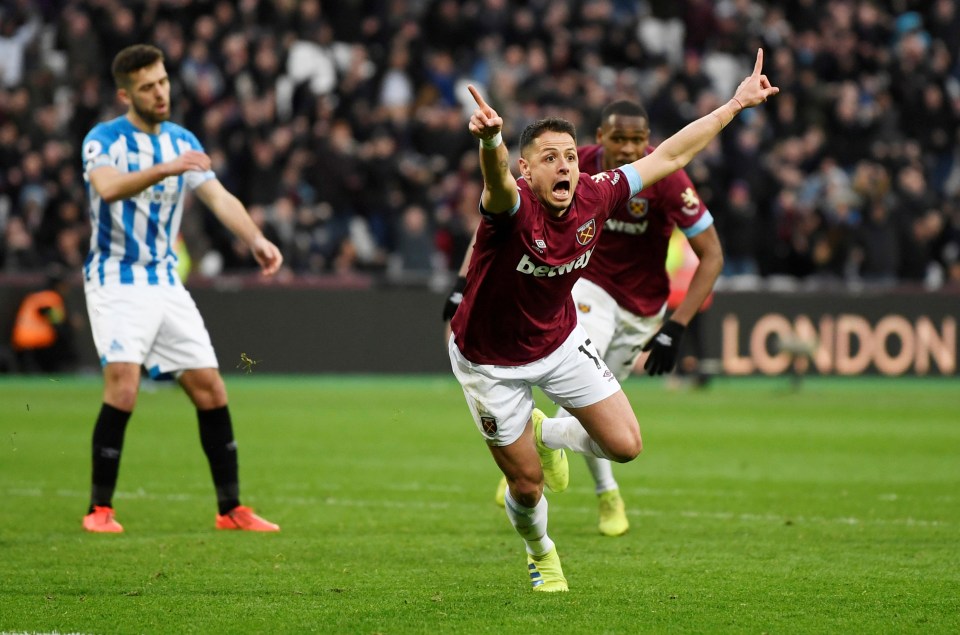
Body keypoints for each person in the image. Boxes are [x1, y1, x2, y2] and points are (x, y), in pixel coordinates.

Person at [447, 50, 776, 592]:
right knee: (527, 488)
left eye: (571, 157)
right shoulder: (512, 206)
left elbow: (669, 156)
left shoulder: (597, 195)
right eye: (549, 158)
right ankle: (541, 552)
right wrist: (490, 143)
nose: (565, 167)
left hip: (556, 341)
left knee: (626, 445)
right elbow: (496, 182)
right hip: (489, 361)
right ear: (527, 170)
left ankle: (545, 431)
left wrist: (736, 104)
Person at [485, 99, 724, 536]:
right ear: (601, 138)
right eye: (620, 138)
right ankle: (603, 494)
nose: (630, 148)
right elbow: (498, 212)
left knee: (597, 414)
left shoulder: (665, 181)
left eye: (638, 140)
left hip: (643, 309)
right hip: (589, 287)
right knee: (579, 369)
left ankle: (549, 443)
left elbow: (712, 254)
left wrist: (677, 325)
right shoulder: (575, 167)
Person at [79, 44, 284, 534]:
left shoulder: (180, 140)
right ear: (125, 93)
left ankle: (230, 509)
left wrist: (255, 238)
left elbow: (217, 196)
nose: (160, 92)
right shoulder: (103, 138)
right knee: (124, 386)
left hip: (165, 280)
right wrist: (166, 169)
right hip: (116, 277)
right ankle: (99, 510)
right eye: (148, 86)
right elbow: (107, 188)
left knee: (211, 388)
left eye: (164, 81)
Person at [10, 265, 79, 373]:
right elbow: (57, 323)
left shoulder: (34, 296)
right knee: (64, 342)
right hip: (39, 344)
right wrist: (70, 324)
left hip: (20, 343)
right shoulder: (50, 298)